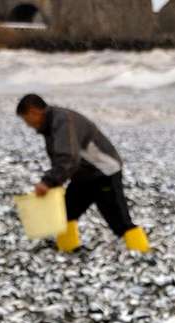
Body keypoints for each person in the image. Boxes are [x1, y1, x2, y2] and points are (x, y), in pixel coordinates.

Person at [16, 94, 150, 254]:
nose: (28, 125)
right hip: (83, 174)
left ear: (34, 112)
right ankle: (67, 249)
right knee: (66, 213)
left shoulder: (62, 122)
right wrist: (54, 181)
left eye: (26, 119)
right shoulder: (51, 123)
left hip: (104, 172)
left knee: (119, 222)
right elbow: (64, 158)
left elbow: (68, 157)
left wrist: (49, 182)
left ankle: (144, 252)